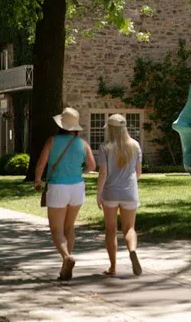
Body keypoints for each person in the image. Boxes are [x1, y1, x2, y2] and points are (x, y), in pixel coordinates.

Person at [34, 107, 96, 281]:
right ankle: (64, 267)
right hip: (77, 187)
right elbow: (92, 166)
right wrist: (79, 170)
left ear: (60, 125)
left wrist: (38, 180)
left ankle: (66, 257)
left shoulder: (52, 141)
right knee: (69, 227)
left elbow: (41, 164)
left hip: (58, 187)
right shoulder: (83, 144)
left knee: (56, 229)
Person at [96, 113, 143, 276]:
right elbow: (138, 173)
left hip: (110, 192)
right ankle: (132, 250)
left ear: (109, 129)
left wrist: (99, 194)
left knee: (110, 230)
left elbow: (103, 172)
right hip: (130, 191)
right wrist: (129, 184)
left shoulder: (105, 147)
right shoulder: (135, 145)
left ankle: (113, 267)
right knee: (129, 228)